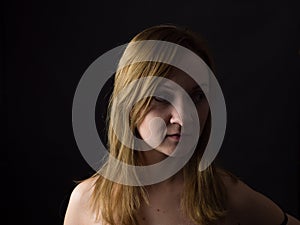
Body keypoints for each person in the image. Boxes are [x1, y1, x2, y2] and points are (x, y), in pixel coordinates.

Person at [64, 24, 300, 225]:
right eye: (162, 96)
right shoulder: (86, 202)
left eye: (197, 97)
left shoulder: (224, 197)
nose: (185, 117)